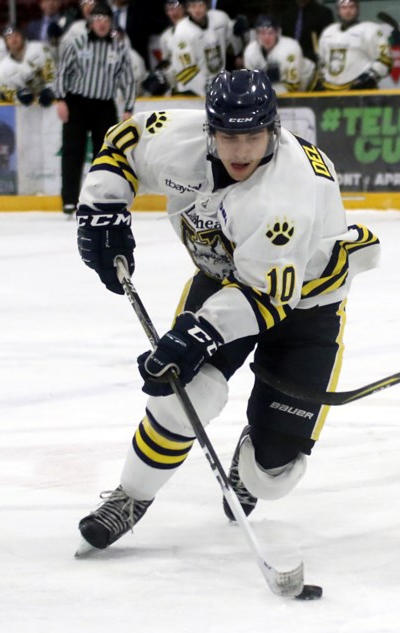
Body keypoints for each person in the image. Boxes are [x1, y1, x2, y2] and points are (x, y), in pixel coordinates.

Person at [73, 69, 380, 552]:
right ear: (209, 131)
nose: (241, 151)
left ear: (273, 131)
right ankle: (131, 496)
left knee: (273, 477)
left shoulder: (287, 195)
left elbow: (265, 298)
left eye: (253, 136)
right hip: (224, 280)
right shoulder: (179, 140)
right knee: (184, 395)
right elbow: (120, 146)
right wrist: (103, 209)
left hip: (306, 306)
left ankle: (252, 461)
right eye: (229, 136)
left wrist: (195, 337)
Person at [54, 2, 136, 216]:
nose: (101, 24)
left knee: (106, 153)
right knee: (73, 152)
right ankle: (69, 199)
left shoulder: (119, 47)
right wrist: (60, 99)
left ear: (111, 23)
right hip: (77, 103)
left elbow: (127, 79)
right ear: (90, 21)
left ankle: (101, 196)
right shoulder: (77, 42)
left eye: (105, 20)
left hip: (104, 106)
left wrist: (128, 107)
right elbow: (63, 71)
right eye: (97, 19)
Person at [316, 0, 391, 90]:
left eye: (351, 7)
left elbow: (385, 61)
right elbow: (321, 62)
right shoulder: (328, 32)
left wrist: (368, 78)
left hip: (360, 93)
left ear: (358, 9)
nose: (348, 11)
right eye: (343, 7)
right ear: (338, 10)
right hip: (330, 92)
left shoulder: (370, 30)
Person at [169, 0, 232, 95]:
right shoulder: (182, 31)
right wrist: (205, 86)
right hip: (191, 89)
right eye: (193, 6)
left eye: (200, 5)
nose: (197, 10)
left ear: (206, 5)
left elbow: (228, 42)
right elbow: (184, 69)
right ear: (188, 8)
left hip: (218, 83)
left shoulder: (220, 18)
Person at [243, 15, 316, 93]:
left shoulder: (291, 48)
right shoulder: (250, 51)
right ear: (256, 34)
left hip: (308, 82)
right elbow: (251, 83)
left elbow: (294, 86)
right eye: (262, 33)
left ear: (277, 33)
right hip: (276, 85)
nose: (266, 37)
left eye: (270, 33)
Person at [0, 24, 56, 107]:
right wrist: (17, 96)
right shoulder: (2, 68)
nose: (13, 40)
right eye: (9, 38)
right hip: (27, 111)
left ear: (22, 36)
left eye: (16, 35)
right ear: (6, 42)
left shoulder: (39, 48)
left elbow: (52, 70)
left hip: (54, 102)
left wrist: (50, 90)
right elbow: (5, 90)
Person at [280, 0, 334, 64]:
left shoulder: (324, 13)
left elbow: (327, 43)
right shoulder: (287, 14)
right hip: (288, 60)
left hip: (313, 62)